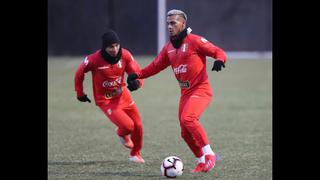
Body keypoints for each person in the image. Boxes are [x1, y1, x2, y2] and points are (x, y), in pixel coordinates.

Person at [127, 9, 227, 172]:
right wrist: (137, 75)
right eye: (168, 23)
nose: (169, 26)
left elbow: (218, 51)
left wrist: (219, 60)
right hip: (185, 93)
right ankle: (201, 160)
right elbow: (154, 67)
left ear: (183, 24)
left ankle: (210, 155)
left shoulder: (195, 41)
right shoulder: (169, 49)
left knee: (188, 119)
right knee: (185, 133)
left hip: (201, 90)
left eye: (173, 23)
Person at [74, 30, 145, 163]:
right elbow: (79, 73)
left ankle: (135, 154)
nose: (114, 49)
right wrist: (80, 93)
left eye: (116, 45)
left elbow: (137, 72)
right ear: (104, 47)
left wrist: (138, 82)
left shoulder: (125, 54)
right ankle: (121, 133)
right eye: (110, 46)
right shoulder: (93, 59)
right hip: (106, 100)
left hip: (123, 96)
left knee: (139, 126)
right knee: (129, 126)